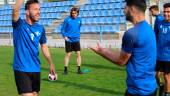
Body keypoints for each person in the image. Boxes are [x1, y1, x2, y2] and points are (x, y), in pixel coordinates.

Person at [90, 0, 157, 96]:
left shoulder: (131, 33)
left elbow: (121, 61)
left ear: (132, 9)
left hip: (138, 90)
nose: (123, 11)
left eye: (125, 8)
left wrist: (101, 51)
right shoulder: (149, 29)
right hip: (151, 87)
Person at [12, 0, 56, 96]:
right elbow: (15, 10)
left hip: (36, 68)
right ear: (27, 12)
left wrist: (51, 63)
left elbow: (44, 46)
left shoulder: (40, 28)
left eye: (39, 9)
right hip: (21, 68)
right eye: (35, 9)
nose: (38, 12)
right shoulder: (19, 24)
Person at [61, 7, 82, 75]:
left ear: (77, 13)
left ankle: (79, 69)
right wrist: (65, 36)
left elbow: (78, 28)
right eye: (72, 13)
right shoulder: (67, 20)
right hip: (69, 40)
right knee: (68, 54)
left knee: (78, 54)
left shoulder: (80, 20)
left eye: (75, 13)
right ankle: (65, 69)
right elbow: (62, 29)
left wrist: (78, 36)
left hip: (76, 40)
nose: (74, 14)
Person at [155, 3, 170, 96]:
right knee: (155, 75)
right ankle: (161, 86)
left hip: (168, 57)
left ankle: (167, 93)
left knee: (166, 76)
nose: (166, 14)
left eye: (168, 12)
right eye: (164, 11)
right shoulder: (160, 22)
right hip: (158, 55)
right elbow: (155, 34)